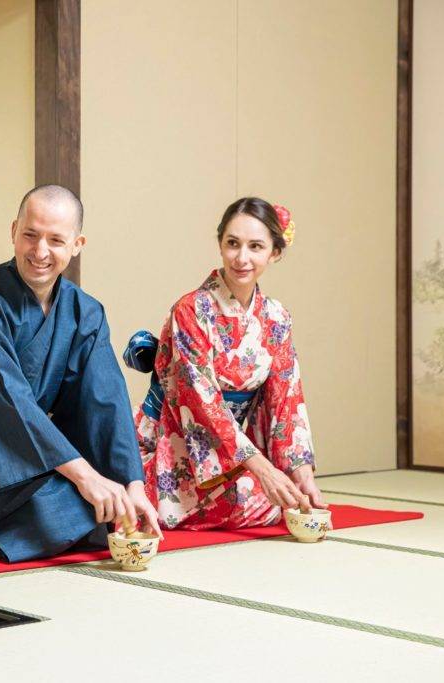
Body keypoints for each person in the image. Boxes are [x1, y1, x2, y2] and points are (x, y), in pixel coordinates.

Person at [0, 185, 162, 563]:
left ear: (77, 244)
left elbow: (107, 402)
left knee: (106, 512)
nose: (40, 252)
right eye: (30, 235)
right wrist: (86, 478)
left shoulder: (84, 312)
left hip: (27, 457)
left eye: (56, 240)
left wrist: (133, 485)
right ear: (13, 231)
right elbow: (10, 405)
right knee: (71, 511)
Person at [125, 197, 325, 531]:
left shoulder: (276, 318)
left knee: (279, 498)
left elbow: (285, 402)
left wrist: (301, 475)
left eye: (256, 246)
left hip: (231, 455)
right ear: (220, 244)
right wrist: (262, 469)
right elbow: (203, 405)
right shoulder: (189, 311)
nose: (242, 258)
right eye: (233, 244)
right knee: (256, 495)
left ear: (274, 252)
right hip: (171, 438)